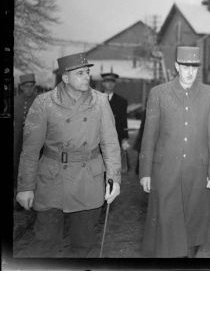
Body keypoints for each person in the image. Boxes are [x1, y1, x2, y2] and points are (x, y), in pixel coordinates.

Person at [16, 53, 121, 257]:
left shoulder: (100, 101)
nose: (86, 76)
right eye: (80, 73)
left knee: (84, 245)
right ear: (65, 78)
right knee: (45, 244)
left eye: (88, 72)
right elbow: (29, 151)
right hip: (52, 180)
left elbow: (110, 144)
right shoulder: (43, 103)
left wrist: (114, 179)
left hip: (88, 180)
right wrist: (26, 187)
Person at [139, 46, 210, 258]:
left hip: (197, 170)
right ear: (176, 66)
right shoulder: (159, 93)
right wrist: (145, 172)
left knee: (193, 223)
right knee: (166, 225)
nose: (190, 72)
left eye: (194, 67)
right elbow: (149, 136)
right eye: (185, 66)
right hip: (165, 171)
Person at [101, 72, 130, 172]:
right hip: (98, 138)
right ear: (103, 83)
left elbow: (123, 121)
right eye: (107, 81)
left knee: (113, 168)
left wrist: (125, 139)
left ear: (115, 83)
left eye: (112, 81)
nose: (109, 84)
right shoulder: (96, 99)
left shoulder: (121, 101)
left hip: (115, 138)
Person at [14, 73, 37, 183]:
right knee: (16, 159)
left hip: (34, 137)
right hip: (18, 137)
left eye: (31, 86)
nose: (29, 89)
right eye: (26, 86)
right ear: (21, 87)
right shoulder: (15, 100)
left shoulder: (40, 101)